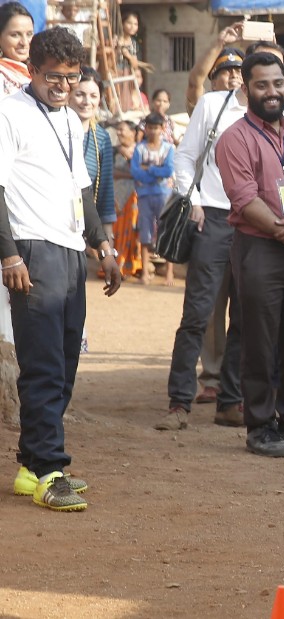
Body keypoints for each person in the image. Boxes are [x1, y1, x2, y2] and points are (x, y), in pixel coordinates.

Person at [0, 26, 121, 511]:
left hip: (71, 251)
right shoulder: (9, 113)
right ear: (32, 71)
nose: (63, 87)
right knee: (44, 364)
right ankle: (52, 470)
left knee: (67, 358)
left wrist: (105, 246)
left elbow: (81, 192)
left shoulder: (72, 120)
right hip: (32, 249)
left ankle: (31, 465)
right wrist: (9, 254)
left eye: (71, 78)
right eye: (53, 77)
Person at [213, 52, 284, 457]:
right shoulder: (234, 139)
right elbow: (244, 201)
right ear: (246, 90)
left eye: (278, 83)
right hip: (259, 249)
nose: (273, 92)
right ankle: (260, 425)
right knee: (259, 341)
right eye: (262, 85)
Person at [156, 62, 249, 431]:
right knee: (197, 315)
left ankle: (231, 402)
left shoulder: (279, 110)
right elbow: (184, 156)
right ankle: (179, 403)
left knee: (245, 318)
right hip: (210, 218)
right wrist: (191, 197)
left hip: (256, 225)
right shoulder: (214, 105)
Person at [131, 112, 174, 286]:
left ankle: (169, 274)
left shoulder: (169, 148)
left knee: (166, 231)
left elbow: (169, 171)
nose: (153, 131)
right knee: (145, 232)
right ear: (146, 128)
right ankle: (144, 273)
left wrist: (148, 169)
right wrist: (157, 170)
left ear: (162, 129)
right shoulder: (139, 148)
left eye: (156, 128)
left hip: (164, 194)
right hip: (145, 195)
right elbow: (135, 172)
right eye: (150, 127)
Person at [71, 68, 114, 233]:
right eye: (80, 94)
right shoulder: (54, 131)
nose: (86, 101)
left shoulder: (102, 138)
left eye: (93, 96)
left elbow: (105, 188)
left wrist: (106, 232)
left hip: (87, 226)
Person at [186, 22, 245, 113]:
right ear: (214, 83)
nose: (234, 75)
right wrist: (220, 43)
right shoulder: (206, 105)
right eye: (227, 71)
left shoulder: (252, 107)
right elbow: (194, 83)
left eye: (238, 71)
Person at [111, 119, 142, 279]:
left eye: (122, 129)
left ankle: (130, 265)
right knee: (116, 230)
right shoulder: (113, 151)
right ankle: (116, 265)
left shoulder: (141, 150)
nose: (119, 133)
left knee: (133, 228)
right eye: (118, 130)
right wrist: (132, 174)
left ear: (133, 132)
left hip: (135, 197)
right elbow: (110, 172)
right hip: (117, 196)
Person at [0, 1, 33, 97]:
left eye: (29, 34)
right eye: (15, 35)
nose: (24, 42)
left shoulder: (36, 69)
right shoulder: (2, 74)